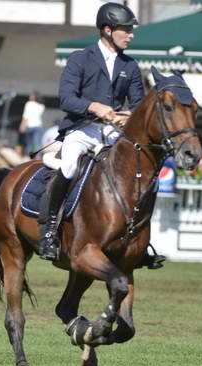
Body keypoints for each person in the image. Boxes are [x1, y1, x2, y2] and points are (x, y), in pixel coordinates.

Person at [39, 1, 143, 261]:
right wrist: (95, 107)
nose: (131, 35)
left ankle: (139, 241)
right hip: (82, 130)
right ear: (108, 30)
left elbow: (139, 104)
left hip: (114, 133)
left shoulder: (130, 66)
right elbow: (66, 98)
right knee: (70, 167)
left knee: (138, 172)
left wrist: (127, 115)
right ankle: (50, 230)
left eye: (131, 30)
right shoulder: (80, 59)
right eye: (126, 30)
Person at [19, 91, 45, 156]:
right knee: (37, 144)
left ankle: (28, 158)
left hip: (30, 125)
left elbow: (25, 116)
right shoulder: (42, 106)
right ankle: (38, 159)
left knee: (29, 144)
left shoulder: (29, 103)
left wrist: (22, 125)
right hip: (38, 126)